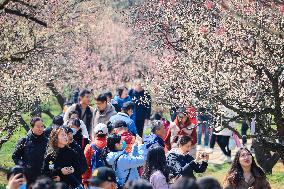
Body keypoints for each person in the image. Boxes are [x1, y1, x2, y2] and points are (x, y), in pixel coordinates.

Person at [13, 117, 48, 185]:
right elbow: (15, 156)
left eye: (42, 126)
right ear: (32, 127)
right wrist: (23, 166)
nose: (40, 129)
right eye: (38, 126)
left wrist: (50, 170)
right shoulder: (24, 141)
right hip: (27, 176)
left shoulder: (47, 141)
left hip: (43, 177)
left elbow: (52, 158)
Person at [82, 123, 108, 188]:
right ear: (107, 134)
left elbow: (85, 165)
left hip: (94, 180)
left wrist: (85, 181)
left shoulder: (89, 147)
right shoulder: (111, 145)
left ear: (95, 134)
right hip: (109, 179)